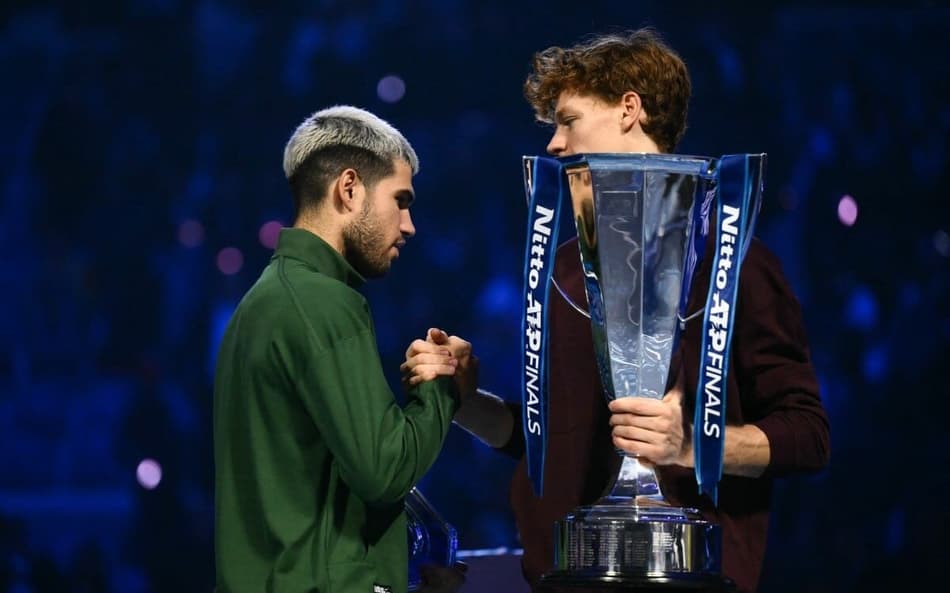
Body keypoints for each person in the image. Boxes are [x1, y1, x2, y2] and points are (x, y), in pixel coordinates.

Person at [403, 29, 830, 593]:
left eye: (568, 120)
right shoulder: (562, 268)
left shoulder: (732, 260)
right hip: (565, 575)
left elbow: (807, 435)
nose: (555, 144)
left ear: (630, 109)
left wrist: (696, 444)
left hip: (684, 577)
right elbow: (551, 442)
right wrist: (463, 401)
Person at [214, 105, 465, 593]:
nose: (409, 225)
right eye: (401, 200)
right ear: (348, 190)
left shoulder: (261, 303)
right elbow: (384, 471)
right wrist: (442, 386)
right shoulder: (323, 301)